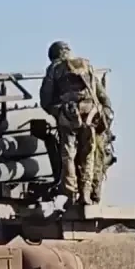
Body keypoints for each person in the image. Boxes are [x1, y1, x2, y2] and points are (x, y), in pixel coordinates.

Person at [39, 40, 112, 204]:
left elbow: (45, 99)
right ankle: (86, 193)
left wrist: (58, 112)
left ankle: (71, 192)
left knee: (68, 155)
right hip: (91, 115)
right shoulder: (86, 66)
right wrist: (105, 113)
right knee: (89, 155)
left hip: (69, 115)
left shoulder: (54, 68)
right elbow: (103, 97)